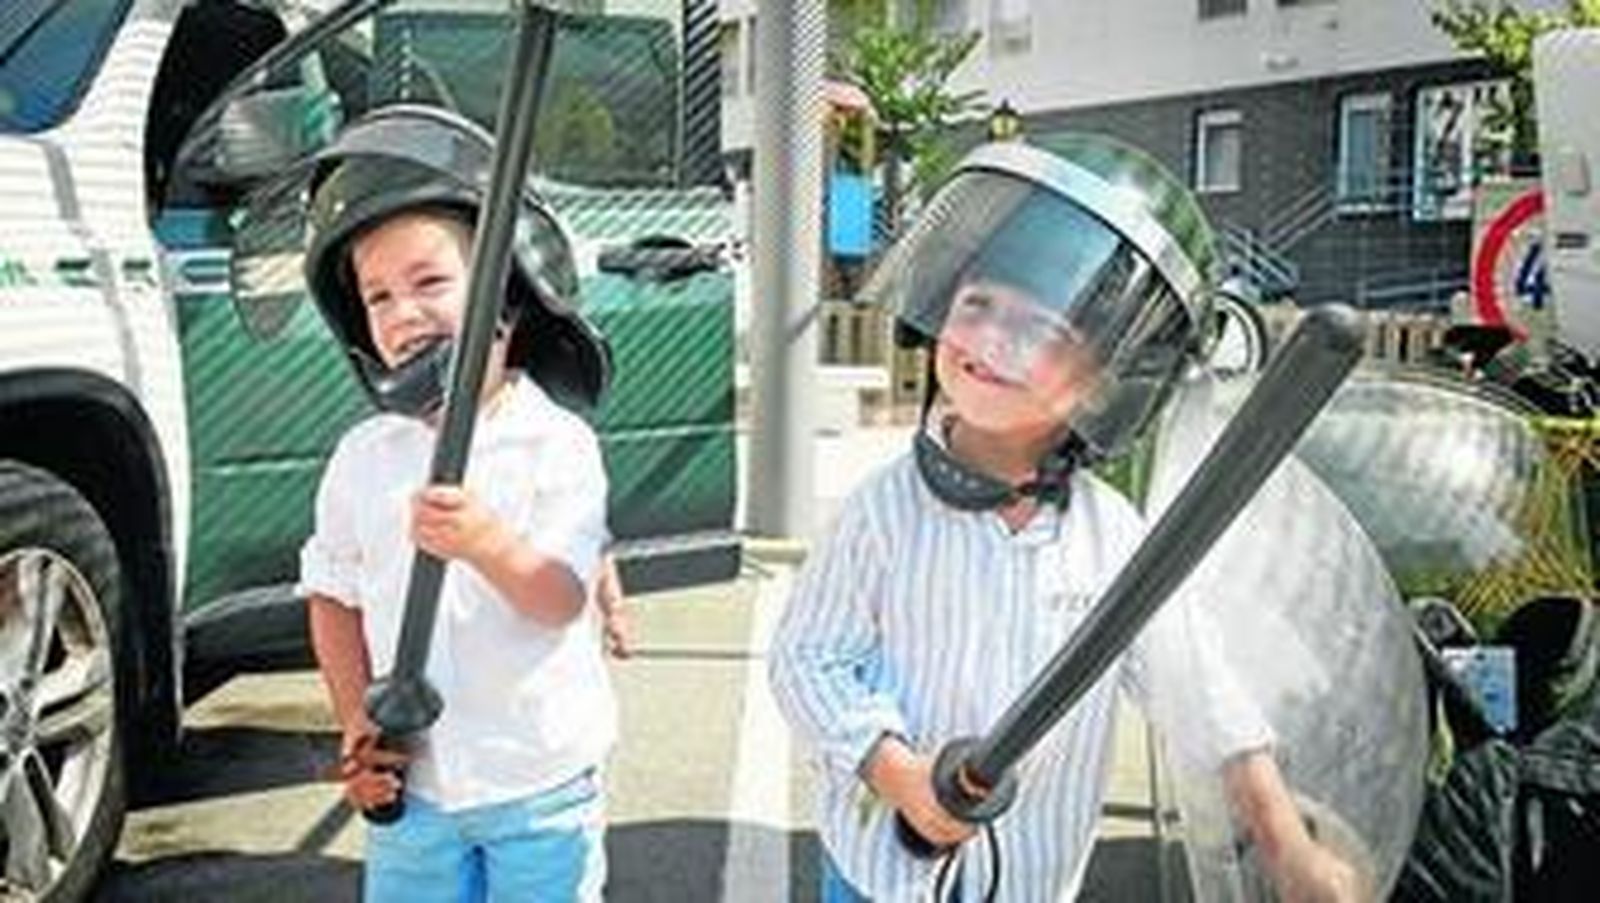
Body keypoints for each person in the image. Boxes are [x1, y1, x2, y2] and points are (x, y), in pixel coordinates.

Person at [768, 134, 1362, 902]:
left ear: (1103, 384)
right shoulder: (882, 512)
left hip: (1035, 879)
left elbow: (1200, 688)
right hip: (880, 870)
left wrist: (1286, 842)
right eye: (978, 303)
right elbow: (807, 659)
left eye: (1040, 330)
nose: (989, 339)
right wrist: (898, 771)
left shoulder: (1113, 538)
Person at [293, 106, 615, 902]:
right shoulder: (363, 458)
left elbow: (559, 598)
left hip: (539, 783)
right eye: (378, 296)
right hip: (419, 792)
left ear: (506, 296)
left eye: (430, 281)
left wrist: (486, 542)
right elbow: (333, 597)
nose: (403, 312)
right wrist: (355, 722)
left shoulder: (557, 442)